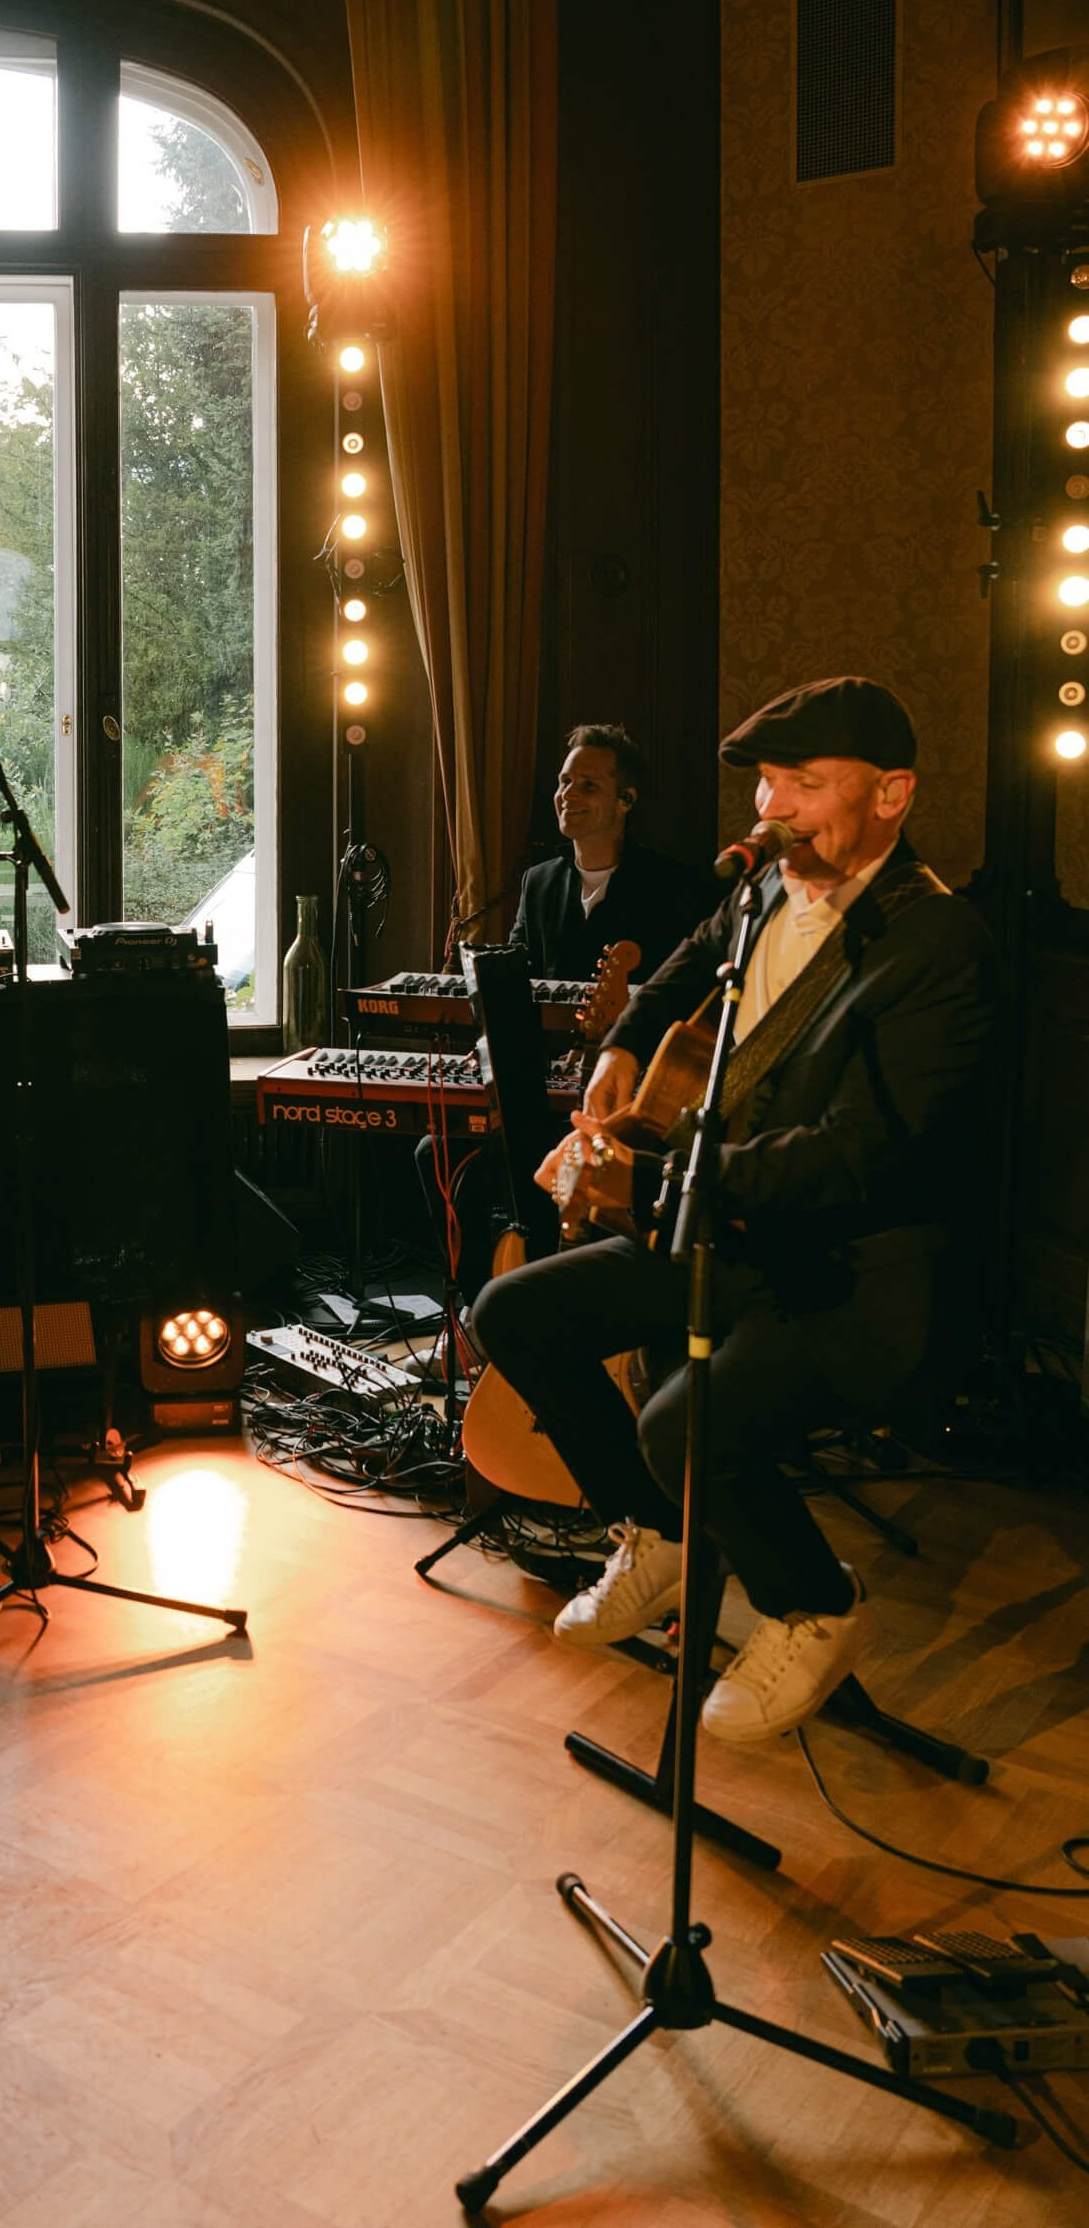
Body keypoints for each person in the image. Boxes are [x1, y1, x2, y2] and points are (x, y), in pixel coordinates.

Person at [472, 677, 996, 1742]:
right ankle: (657, 1535)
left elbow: (860, 1155)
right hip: (718, 1231)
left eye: (806, 783)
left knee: (684, 1420)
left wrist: (662, 1185)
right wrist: (622, 1050)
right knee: (514, 1314)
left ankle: (819, 1606)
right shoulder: (761, 894)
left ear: (892, 795)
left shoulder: (937, 944)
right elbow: (670, 982)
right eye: (766, 783)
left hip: (849, 1278)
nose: (773, 810)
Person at [508, 725, 715, 985]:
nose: (568, 794)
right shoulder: (537, 882)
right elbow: (515, 975)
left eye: (589, 785)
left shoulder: (673, 886)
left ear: (625, 800)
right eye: (565, 781)